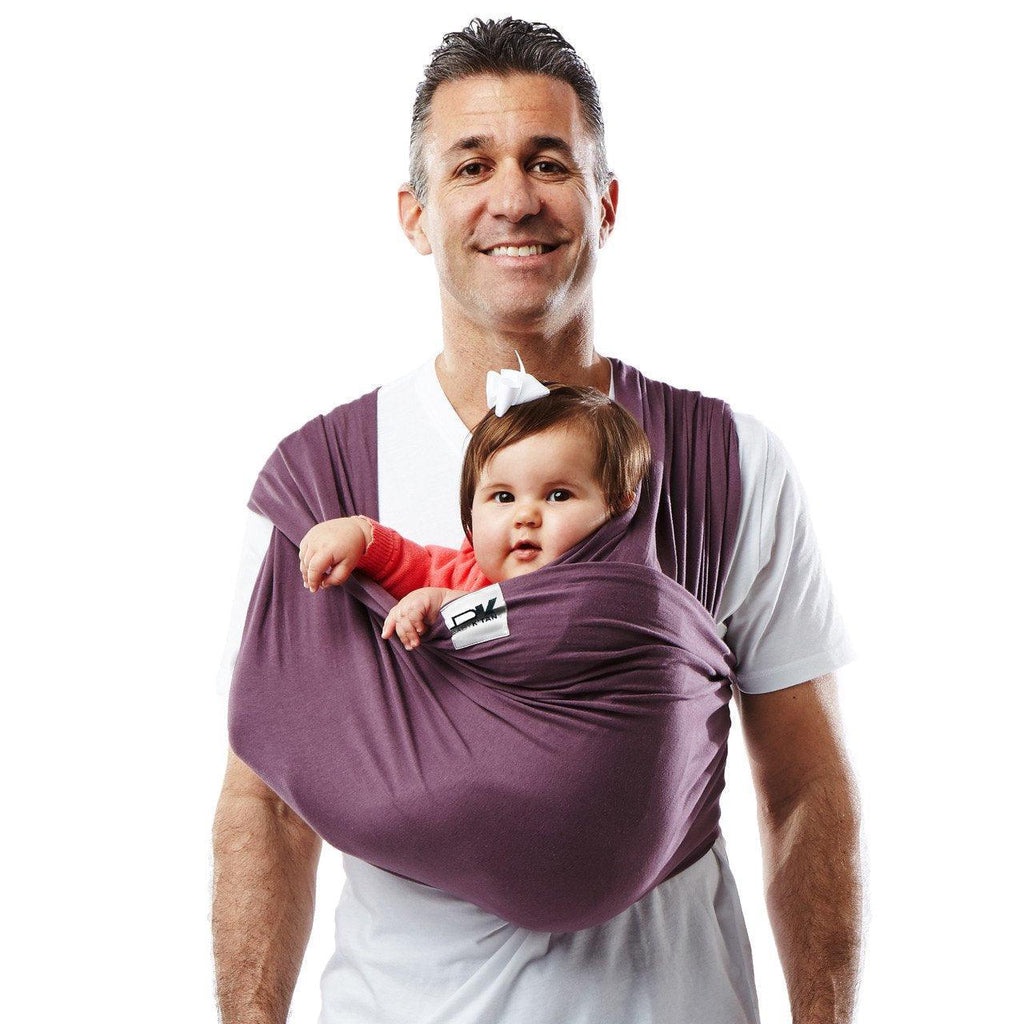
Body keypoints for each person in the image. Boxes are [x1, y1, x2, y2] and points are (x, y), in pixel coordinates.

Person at [212, 16, 862, 1024]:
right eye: (472, 166)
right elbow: (266, 802)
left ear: (606, 203)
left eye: (548, 163)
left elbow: (804, 782)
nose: (513, 199)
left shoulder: (726, 460)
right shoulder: (323, 481)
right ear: (415, 215)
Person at [296, 379, 653, 651]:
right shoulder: (468, 572)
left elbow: (542, 625)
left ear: (617, 505)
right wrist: (361, 537)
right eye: (503, 497)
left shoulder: (611, 585)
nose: (525, 515)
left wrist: (448, 607)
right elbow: (414, 566)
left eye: (558, 495)